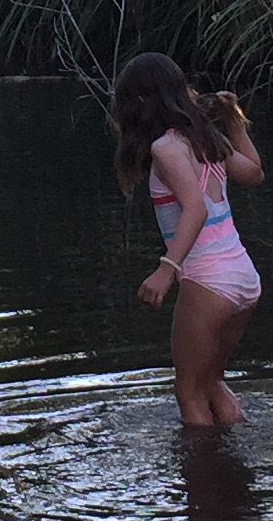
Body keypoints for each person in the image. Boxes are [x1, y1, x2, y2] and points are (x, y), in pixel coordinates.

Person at [113, 50, 264, 429]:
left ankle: (204, 466)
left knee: (189, 393)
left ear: (140, 102)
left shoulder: (165, 148)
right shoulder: (205, 138)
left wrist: (165, 270)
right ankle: (234, 454)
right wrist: (234, 122)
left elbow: (195, 209)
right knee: (210, 384)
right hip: (243, 277)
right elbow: (254, 173)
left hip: (208, 282)